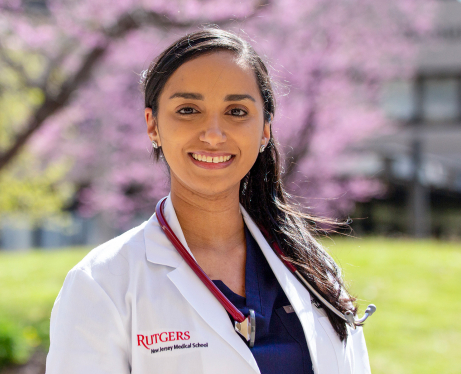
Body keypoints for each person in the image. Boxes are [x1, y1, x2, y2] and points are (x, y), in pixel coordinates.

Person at [45, 29, 372, 374]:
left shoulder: (312, 268)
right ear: (152, 125)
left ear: (265, 129)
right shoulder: (103, 283)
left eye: (236, 111)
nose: (213, 134)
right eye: (188, 109)